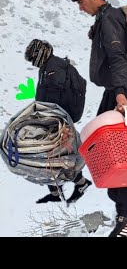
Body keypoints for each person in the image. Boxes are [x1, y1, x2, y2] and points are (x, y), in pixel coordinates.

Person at [71, 0, 127, 237]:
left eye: (81, 2)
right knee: (117, 148)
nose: (81, 8)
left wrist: (121, 94)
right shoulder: (106, 18)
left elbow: (117, 58)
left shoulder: (108, 19)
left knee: (117, 153)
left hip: (120, 92)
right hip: (117, 91)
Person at [24, 39, 93, 205]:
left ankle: (79, 184)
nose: (33, 63)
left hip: (57, 120)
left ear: (40, 54)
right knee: (52, 155)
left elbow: (53, 97)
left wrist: (44, 119)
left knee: (55, 155)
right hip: (55, 119)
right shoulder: (49, 67)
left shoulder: (54, 69)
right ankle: (60, 189)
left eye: (33, 58)